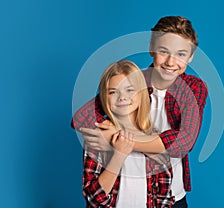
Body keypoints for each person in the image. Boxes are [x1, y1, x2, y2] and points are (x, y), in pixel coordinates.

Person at [72, 16, 208, 207]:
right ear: (152, 48)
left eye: (181, 54)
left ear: (191, 56)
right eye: (164, 51)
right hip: (123, 193)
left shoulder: (194, 88)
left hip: (169, 194)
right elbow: (80, 118)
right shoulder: (133, 81)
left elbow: (183, 142)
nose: (171, 61)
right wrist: (109, 131)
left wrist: (117, 141)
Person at [79, 60, 174, 207]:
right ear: (105, 97)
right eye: (113, 92)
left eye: (130, 90)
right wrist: (119, 155)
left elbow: (164, 195)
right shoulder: (100, 136)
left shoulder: (154, 138)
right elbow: (94, 199)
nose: (122, 97)